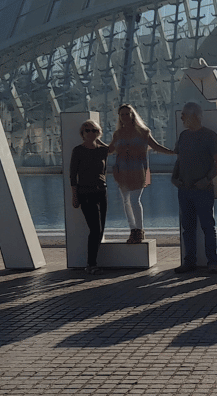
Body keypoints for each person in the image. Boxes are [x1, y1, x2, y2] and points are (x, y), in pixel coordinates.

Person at [170, 101, 217, 274]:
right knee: (187, 228)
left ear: (194, 116)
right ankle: (190, 261)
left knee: (207, 226)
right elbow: (179, 159)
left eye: (183, 116)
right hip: (185, 189)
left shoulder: (209, 135)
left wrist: (206, 179)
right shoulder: (183, 136)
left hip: (203, 190)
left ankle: (213, 261)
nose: (181, 119)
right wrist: (174, 178)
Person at [110, 104, 175, 244]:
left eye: (128, 114)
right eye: (122, 115)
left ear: (133, 115)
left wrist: (173, 152)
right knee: (126, 201)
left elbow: (156, 146)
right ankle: (132, 230)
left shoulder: (143, 132)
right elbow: (109, 150)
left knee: (134, 200)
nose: (125, 117)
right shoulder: (118, 134)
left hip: (138, 170)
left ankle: (139, 230)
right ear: (119, 117)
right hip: (122, 172)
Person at [69, 119, 111, 274]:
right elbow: (73, 176)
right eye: (87, 130)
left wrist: (97, 139)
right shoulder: (78, 150)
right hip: (85, 193)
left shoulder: (102, 150)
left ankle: (93, 263)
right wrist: (75, 197)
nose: (91, 133)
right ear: (82, 133)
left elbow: (111, 150)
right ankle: (91, 264)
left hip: (102, 191)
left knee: (100, 230)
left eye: (94, 130)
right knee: (95, 229)